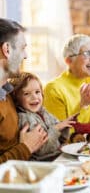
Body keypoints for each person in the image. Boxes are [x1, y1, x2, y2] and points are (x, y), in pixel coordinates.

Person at [0, 18, 47, 163]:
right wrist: (25, 148)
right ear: (7, 49)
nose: (25, 55)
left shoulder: (8, 94)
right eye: (22, 48)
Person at [9, 72, 76, 161]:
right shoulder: (25, 119)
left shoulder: (44, 112)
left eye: (37, 92)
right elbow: (41, 149)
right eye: (26, 94)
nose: (34, 97)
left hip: (56, 156)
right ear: (17, 99)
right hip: (43, 162)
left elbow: (61, 137)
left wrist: (66, 125)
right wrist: (57, 128)